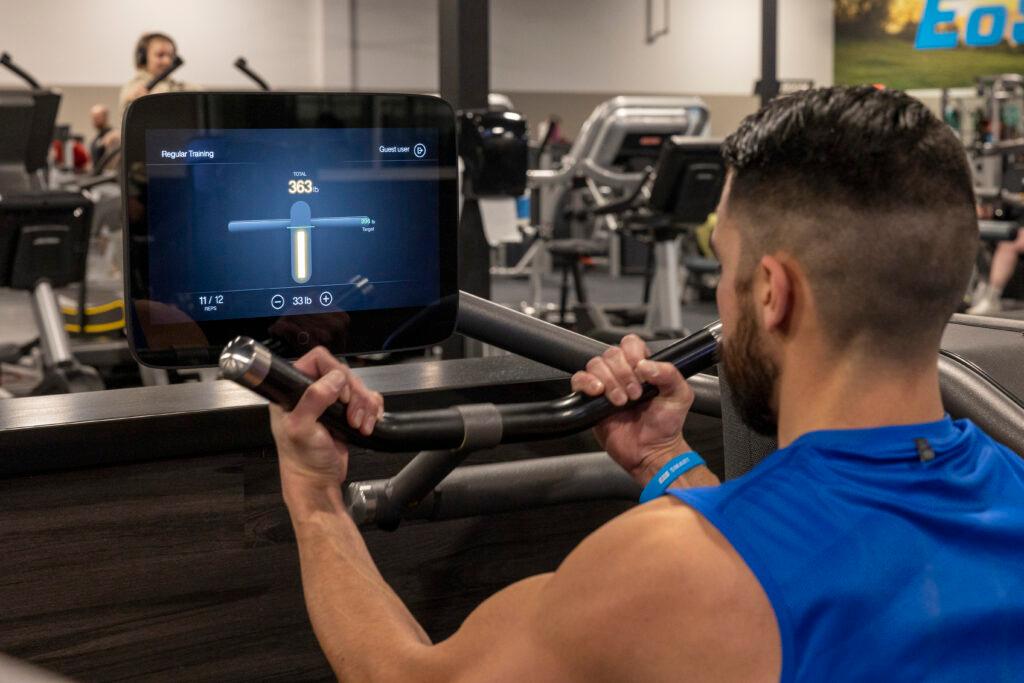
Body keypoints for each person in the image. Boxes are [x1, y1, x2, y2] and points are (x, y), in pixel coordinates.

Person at [268, 87, 1024, 681]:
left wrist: (313, 495)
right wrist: (665, 462)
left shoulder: (669, 574)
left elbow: (405, 676)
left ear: (771, 292)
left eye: (725, 267)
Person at [119, 32, 188, 109]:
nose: (167, 61)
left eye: (171, 56)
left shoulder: (177, 86)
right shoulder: (133, 88)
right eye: (160, 55)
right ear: (143, 58)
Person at [88, 104, 112, 168]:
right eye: (93, 118)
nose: (95, 120)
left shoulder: (113, 137)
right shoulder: (95, 140)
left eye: (97, 117)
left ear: (105, 117)